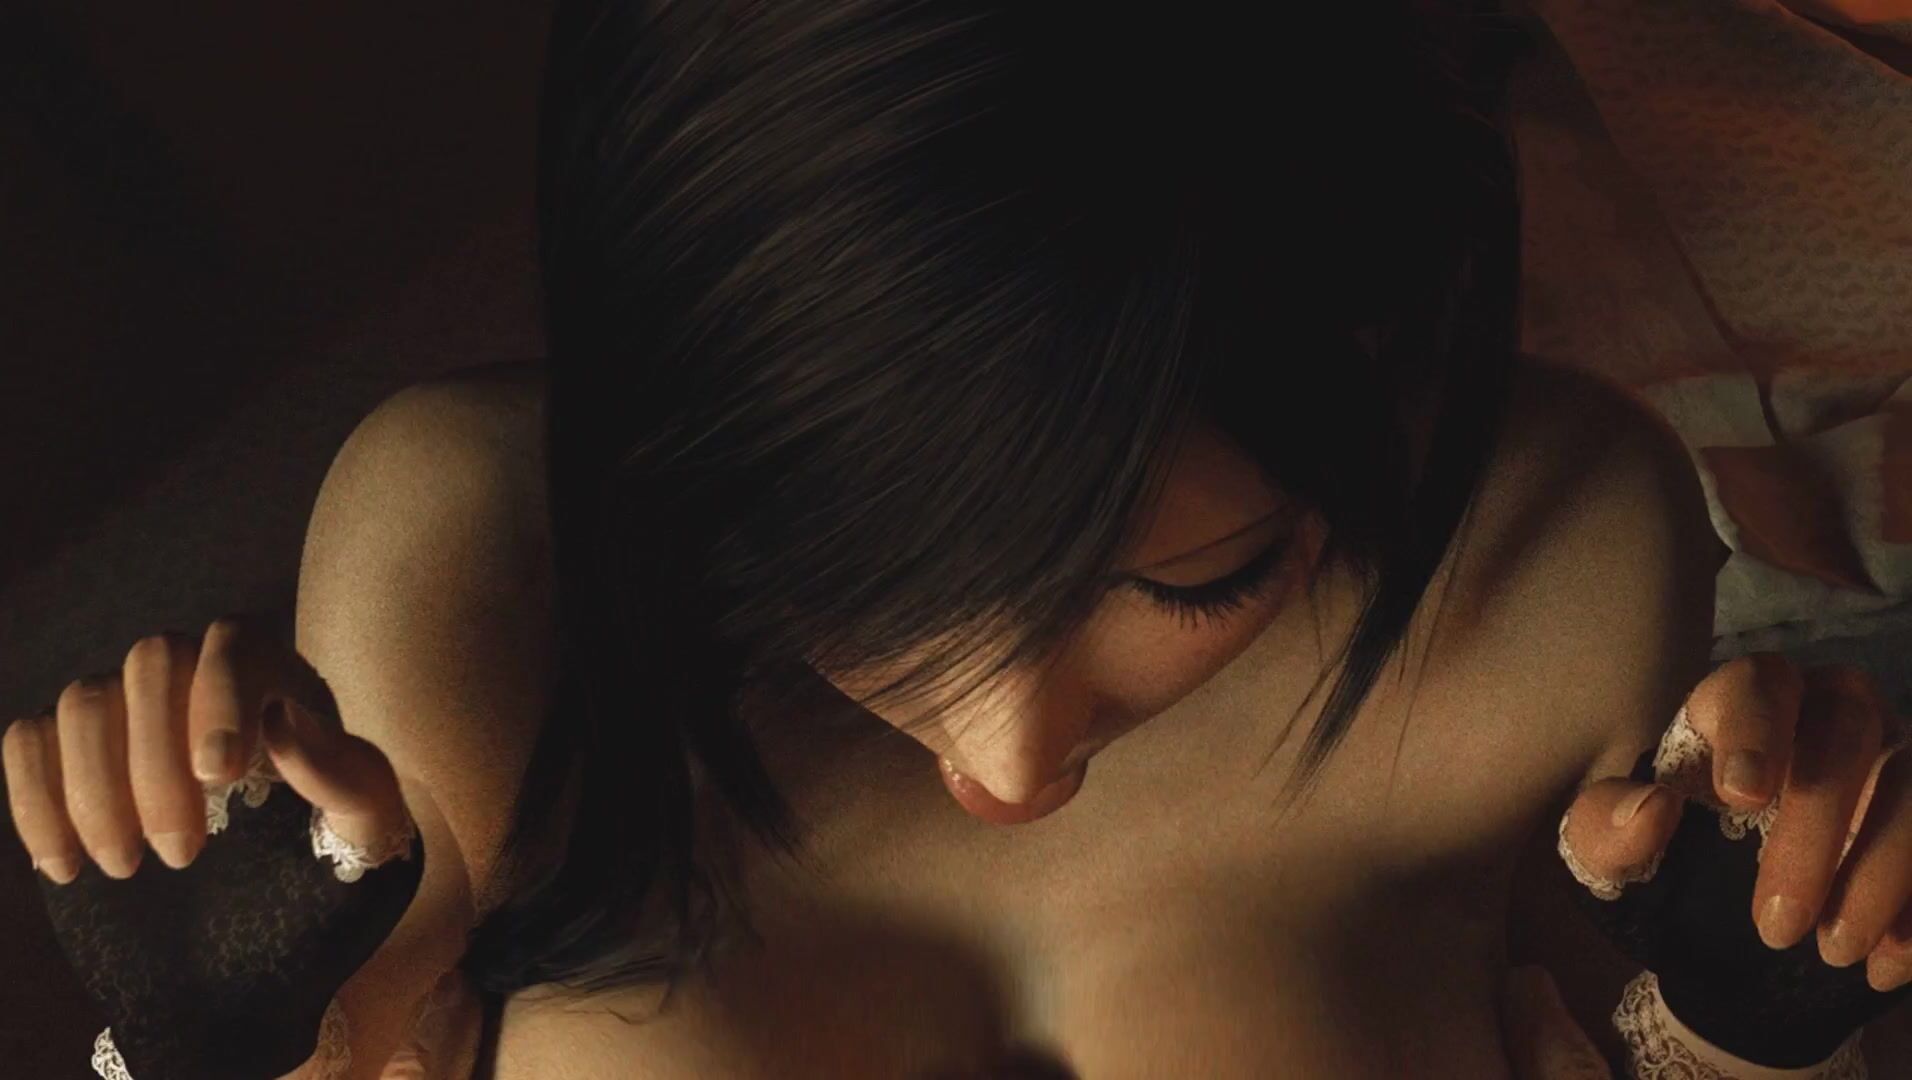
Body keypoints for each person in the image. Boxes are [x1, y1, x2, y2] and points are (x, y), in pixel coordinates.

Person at [22, 0, 1874, 1076]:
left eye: (1195, 582)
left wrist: (1760, 1008)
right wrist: (213, 1050)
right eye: (860, 572)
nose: (1010, 757)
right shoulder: (490, 573)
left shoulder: (1551, 570)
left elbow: (1641, 1032)